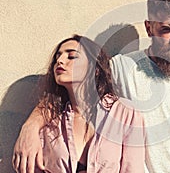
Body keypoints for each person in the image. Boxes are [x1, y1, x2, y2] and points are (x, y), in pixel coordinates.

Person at [13, 0, 170, 172]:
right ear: (149, 28)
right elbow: (68, 94)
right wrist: (30, 127)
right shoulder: (122, 67)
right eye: (167, 29)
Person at [13, 35, 145, 172]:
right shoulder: (51, 124)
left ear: (95, 67)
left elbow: (132, 168)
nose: (60, 61)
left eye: (71, 57)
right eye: (57, 57)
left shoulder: (126, 114)